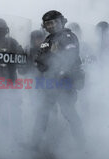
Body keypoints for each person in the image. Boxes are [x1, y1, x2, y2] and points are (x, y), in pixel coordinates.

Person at [33, 10, 85, 149]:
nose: (50, 26)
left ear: (61, 21)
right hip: (50, 82)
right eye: (47, 24)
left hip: (65, 82)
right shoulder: (48, 40)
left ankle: (83, 145)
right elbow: (40, 58)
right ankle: (34, 144)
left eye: (53, 22)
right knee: (42, 113)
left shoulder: (68, 36)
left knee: (69, 112)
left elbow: (70, 57)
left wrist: (59, 71)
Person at [0, 18, 25, 145]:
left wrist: (21, 53)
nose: (1, 33)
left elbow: (21, 60)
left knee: (14, 109)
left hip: (12, 81)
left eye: (2, 30)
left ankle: (16, 135)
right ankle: (5, 136)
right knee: (3, 110)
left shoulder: (12, 42)